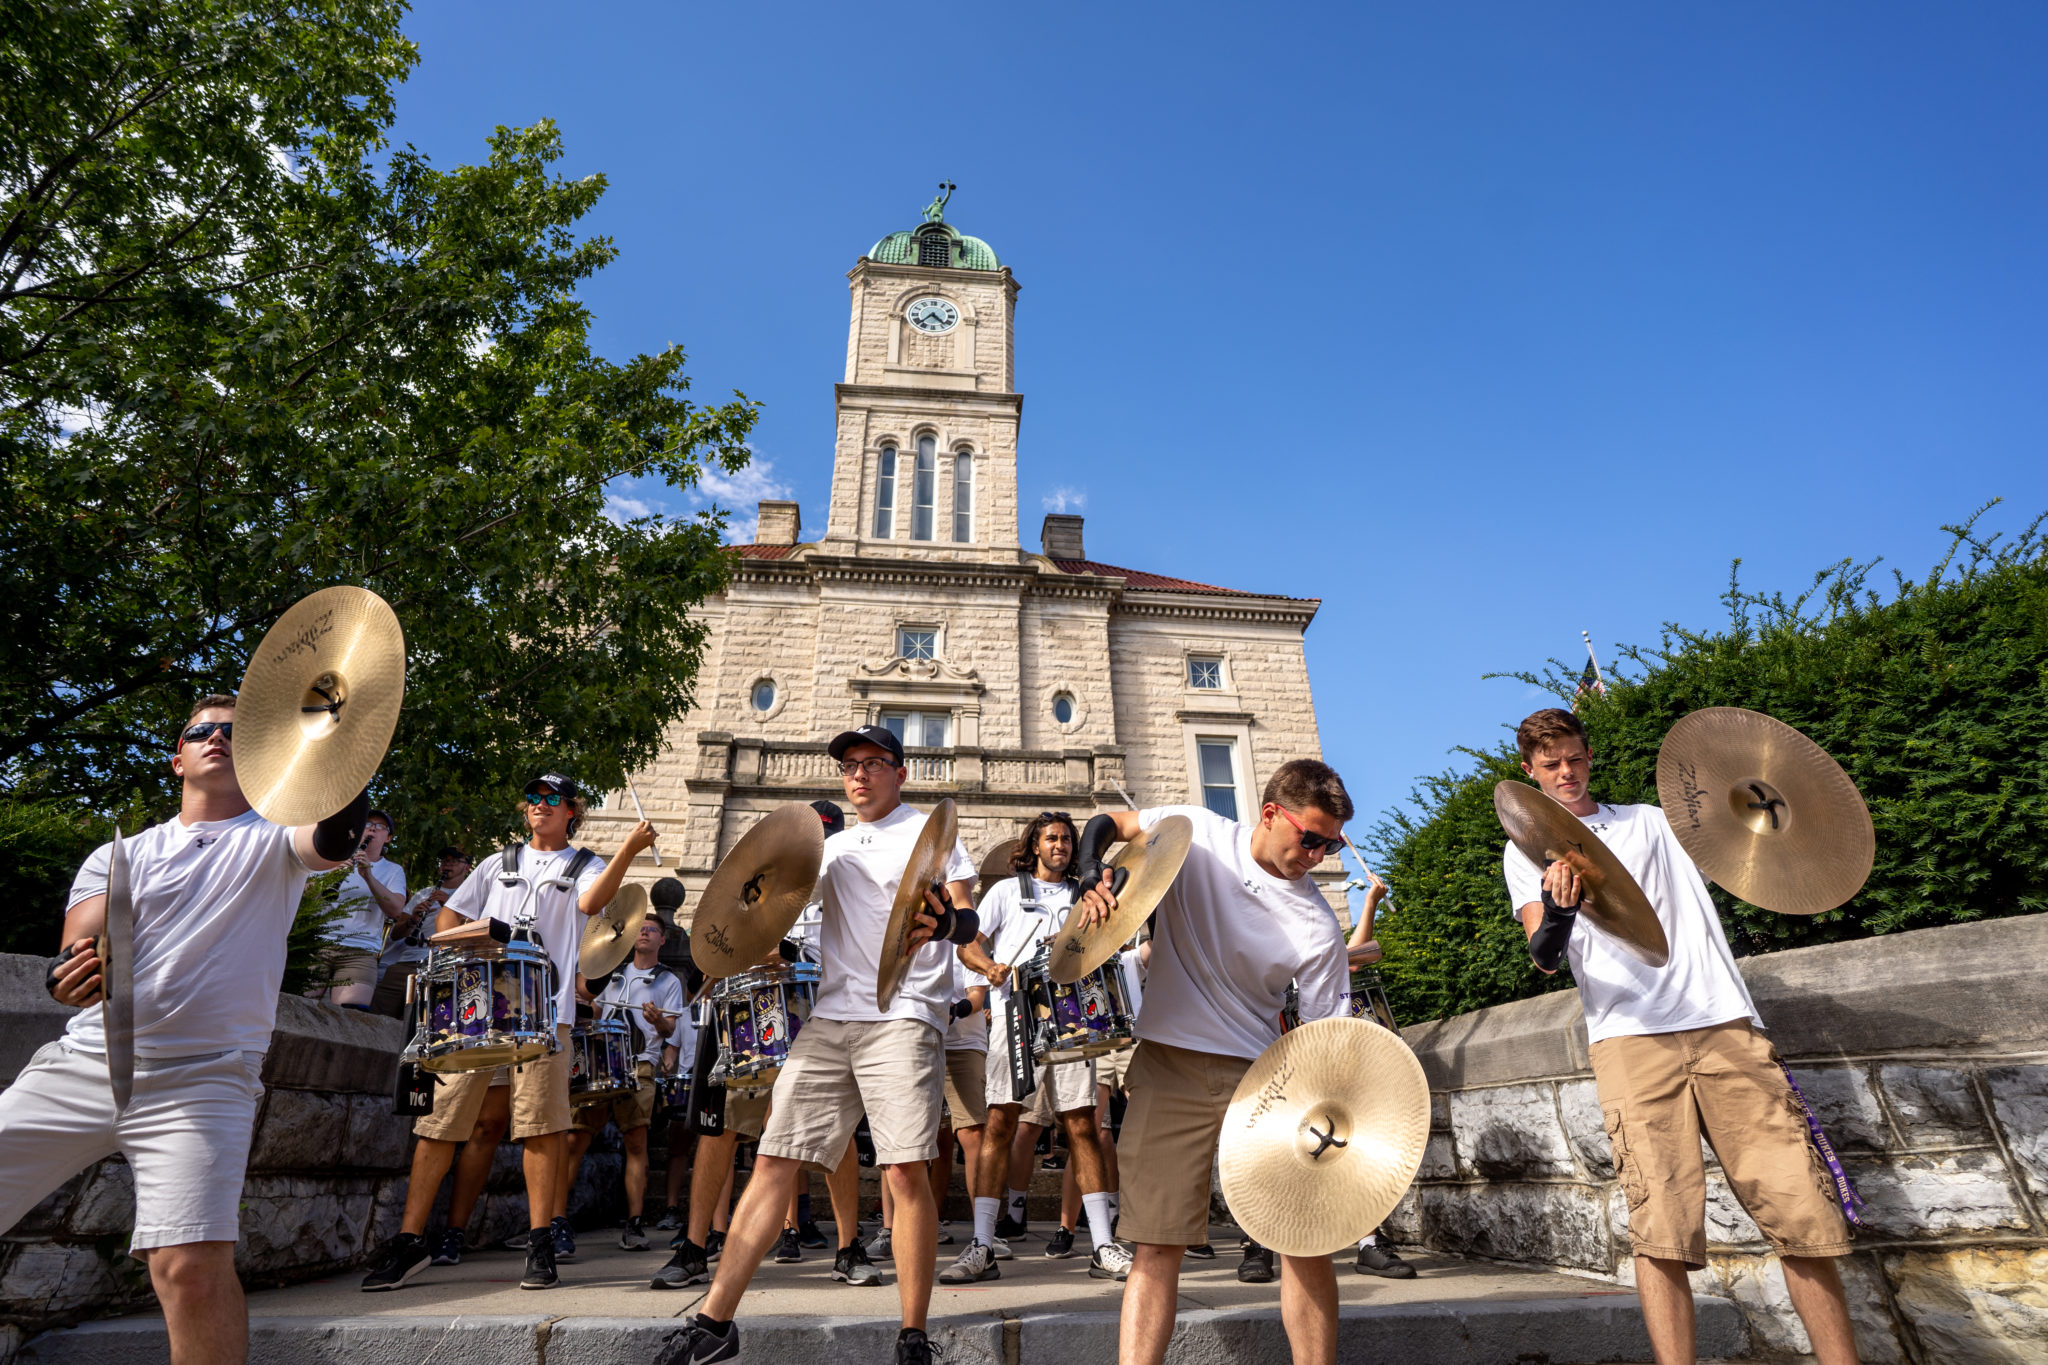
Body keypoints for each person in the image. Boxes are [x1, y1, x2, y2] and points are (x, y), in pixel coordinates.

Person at [2, 694, 363, 1365]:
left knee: (187, 1268)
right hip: (86, 1062)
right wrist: (71, 977)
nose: (219, 736)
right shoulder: (120, 854)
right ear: (177, 758)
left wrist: (339, 747)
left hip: (204, 1077)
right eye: (203, 729)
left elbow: (334, 836)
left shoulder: (275, 837)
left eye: (235, 731)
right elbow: (72, 954)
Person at [1505, 708, 1860, 1365]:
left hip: (1724, 1022)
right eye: (1550, 763)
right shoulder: (1526, 848)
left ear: (1589, 756)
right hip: (1631, 1039)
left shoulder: (1651, 820)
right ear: (1529, 770)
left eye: (1575, 757)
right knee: (1660, 1228)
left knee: (1801, 1211)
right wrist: (1558, 910)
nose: (1566, 771)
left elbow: (1746, 819)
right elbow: (1544, 954)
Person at [659, 725, 976, 1365]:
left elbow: (964, 915)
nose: (859, 774)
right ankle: (715, 1324)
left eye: (873, 763)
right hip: (832, 1018)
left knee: (904, 1170)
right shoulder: (832, 848)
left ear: (900, 773)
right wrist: (727, 940)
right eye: (850, 765)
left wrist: (949, 923)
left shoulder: (930, 833)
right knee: (775, 1157)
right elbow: (775, 914)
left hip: (903, 1013)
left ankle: (914, 1335)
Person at [1070, 760, 1354, 1365]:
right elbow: (1108, 822)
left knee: (1304, 1243)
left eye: (1331, 845)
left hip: (1267, 1079)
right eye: (1310, 838)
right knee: (1157, 1244)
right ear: (1271, 814)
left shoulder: (1320, 927)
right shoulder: (1197, 832)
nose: (1319, 856)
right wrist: (1090, 871)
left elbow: (1328, 1035)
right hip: (1171, 1064)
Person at [360, 772, 656, 1292]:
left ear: (572, 811)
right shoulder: (501, 862)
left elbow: (591, 907)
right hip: (477, 1008)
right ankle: (409, 1243)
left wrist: (628, 851)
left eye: (553, 799)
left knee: (541, 1126)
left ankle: (541, 1244)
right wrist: (456, 946)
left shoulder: (586, 865)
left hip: (547, 1011)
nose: (541, 805)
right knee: (440, 1123)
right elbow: (453, 913)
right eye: (534, 798)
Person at [654, 801, 876, 1292]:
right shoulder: (762, 887)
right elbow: (720, 944)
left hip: (821, 1012)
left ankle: (847, 1247)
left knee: (834, 1135)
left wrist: (791, 951)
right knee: (720, 1130)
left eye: (824, 837)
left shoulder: (846, 883)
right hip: (749, 1013)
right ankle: (694, 1249)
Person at [941, 810, 1127, 1286]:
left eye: (1067, 839)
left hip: (1070, 1019)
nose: (1061, 846)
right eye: (1052, 838)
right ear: (1035, 845)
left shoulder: (1082, 897)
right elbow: (967, 946)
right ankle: (983, 1243)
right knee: (1001, 1121)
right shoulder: (1007, 892)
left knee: (1082, 1124)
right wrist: (990, 969)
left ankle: (1103, 1244)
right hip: (1014, 1015)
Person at [571, 911, 687, 1251]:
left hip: (640, 1064)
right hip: (600, 1062)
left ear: (662, 940)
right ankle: (552, 1221)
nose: (645, 933)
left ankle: (634, 1223)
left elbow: (669, 1030)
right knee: (575, 1139)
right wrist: (582, 1008)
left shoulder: (668, 981)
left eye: (653, 930)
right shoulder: (613, 973)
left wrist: (658, 1022)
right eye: (642, 928)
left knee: (636, 1143)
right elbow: (595, 1012)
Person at [312, 809, 406, 1009]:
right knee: (298, 1007)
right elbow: (302, 896)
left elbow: (396, 910)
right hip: (318, 944)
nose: (372, 828)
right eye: (367, 823)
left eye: (380, 827)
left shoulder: (393, 871)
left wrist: (368, 876)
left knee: (350, 1017)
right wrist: (329, 877)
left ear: (388, 838)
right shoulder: (333, 858)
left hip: (360, 951)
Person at [369, 846, 471, 1018]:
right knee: (379, 1015)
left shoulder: (469, 895)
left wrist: (449, 906)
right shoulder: (424, 894)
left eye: (453, 861)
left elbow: (471, 929)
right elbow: (395, 934)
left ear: (466, 867)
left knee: (422, 1021)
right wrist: (412, 920)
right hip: (406, 963)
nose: (448, 865)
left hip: (442, 964)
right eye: (444, 861)